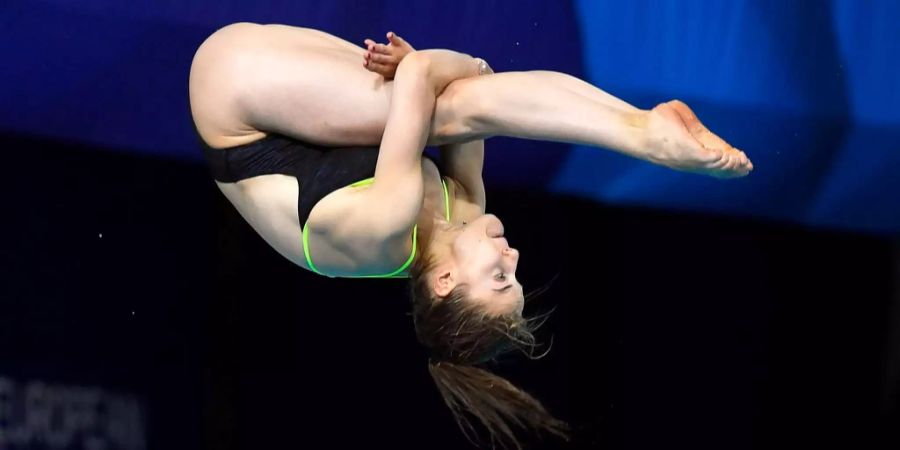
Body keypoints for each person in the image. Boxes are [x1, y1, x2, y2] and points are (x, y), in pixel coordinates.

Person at [189, 22, 753, 448]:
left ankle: (646, 138)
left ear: (445, 279)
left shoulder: (384, 230)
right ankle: (641, 127)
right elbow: (479, 78)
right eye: (515, 272)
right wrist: (436, 73)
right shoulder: (464, 208)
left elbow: (446, 77)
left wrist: (430, 72)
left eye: (500, 275)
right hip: (279, 100)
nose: (512, 252)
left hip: (233, 95)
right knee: (462, 105)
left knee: (456, 109)